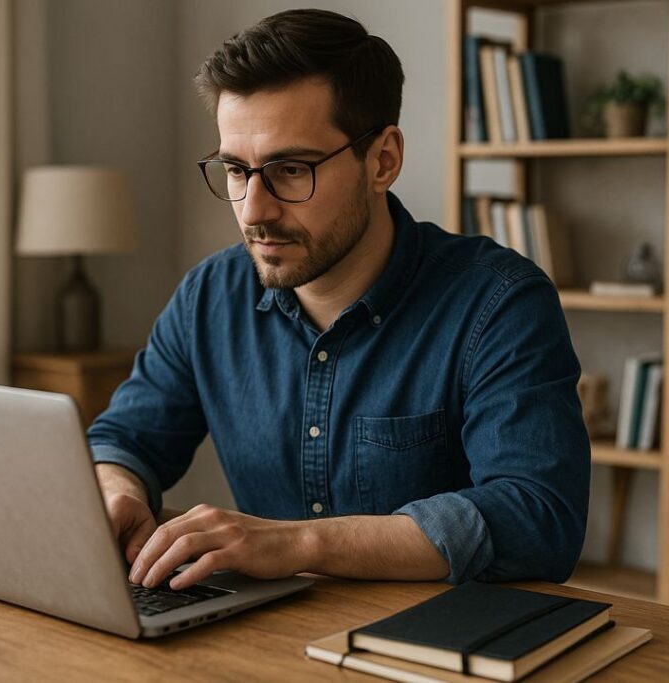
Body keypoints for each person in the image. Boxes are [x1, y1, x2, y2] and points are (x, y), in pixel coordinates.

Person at [89, 9, 589, 592]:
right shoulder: (208, 298)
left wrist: (296, 543)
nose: (254, 210)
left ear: (383, 160)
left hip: (436, 653)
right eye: (235, 170)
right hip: (263, 640)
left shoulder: (499, 303)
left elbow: (537, 518)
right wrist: (116, 493)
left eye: (291, 169)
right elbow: (124, 440)